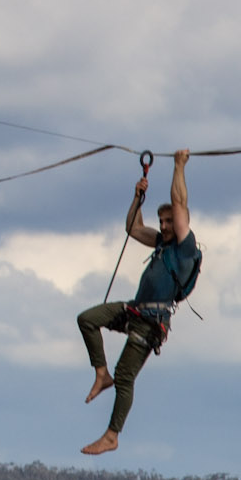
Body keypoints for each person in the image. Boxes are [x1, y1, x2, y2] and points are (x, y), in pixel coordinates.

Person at [76, 148, 198, 455]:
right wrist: (137, 197)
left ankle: (112, 435)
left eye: (169, 221)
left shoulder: (184, 248)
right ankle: (100, 373)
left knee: (125, 376)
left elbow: (180, 202)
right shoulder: (160, 242)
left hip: (152, 322)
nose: (165, 226)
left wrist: (178, 165)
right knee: (87, 319)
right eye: (162, 221)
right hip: (134, 310)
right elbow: (132, 228)